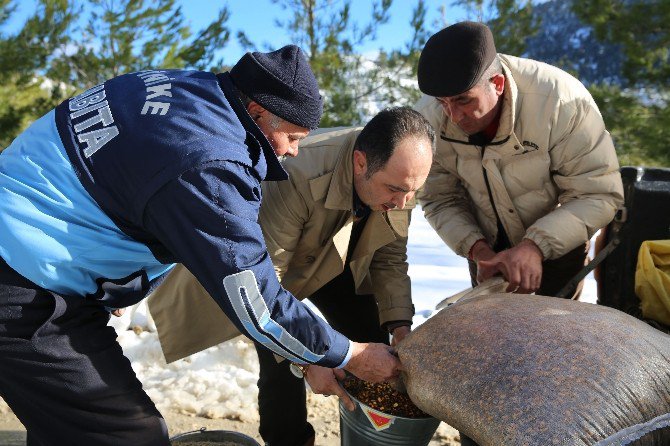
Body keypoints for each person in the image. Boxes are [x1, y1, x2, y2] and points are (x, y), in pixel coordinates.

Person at [0, 45, 400, 446]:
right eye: (292, 137)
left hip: (29, 244)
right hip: (26, 287)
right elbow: (257, 301)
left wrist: (118, 277)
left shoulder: (176, 85)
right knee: (129, 436)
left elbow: (119, 179)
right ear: (259, 113)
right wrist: (349, 354)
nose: (293, 151)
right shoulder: (211, 161)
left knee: (65, 428)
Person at [148, 107, 435, 446]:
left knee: (372, 337)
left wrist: (399, 326)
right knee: (280, 359)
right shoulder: (296, 174)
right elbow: (265, 290)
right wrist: (307, 360)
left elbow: (388, 261)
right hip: (266, 265)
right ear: (361, 163)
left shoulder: (402, 178)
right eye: (395, 190)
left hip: (332, 255)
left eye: (411, 192)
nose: (403, 202)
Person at [414, 21, 624, 299]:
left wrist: (534, 246)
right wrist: (477, 249)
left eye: (464, 101)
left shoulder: (562, 103)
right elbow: (440, 199)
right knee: (491, 334)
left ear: (497, 84)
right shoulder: (428, 119)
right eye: (443, 102)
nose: (453, 116)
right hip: (485, 247)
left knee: (558, 332)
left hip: (561, 241)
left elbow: (598, 193)